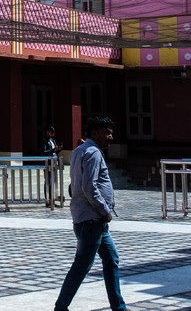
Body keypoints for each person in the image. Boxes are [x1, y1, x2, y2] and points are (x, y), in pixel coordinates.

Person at [54, 115, 126, 311]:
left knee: (111, 260)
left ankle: (118, 307)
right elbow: (89, 186)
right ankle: (60, 307)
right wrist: (104, 209)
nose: (110, 137)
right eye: (107, 133)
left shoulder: (79, 150)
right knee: (81, 266)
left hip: (92, 220)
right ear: (94, 133)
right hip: (92, 219)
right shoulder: (93, 152)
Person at [42, 125, 63, 207]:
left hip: (54, 162)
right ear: (47, 132)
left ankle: (52, 200)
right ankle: (48, 200)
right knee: (48, 182)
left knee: (53, 182)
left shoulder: (53, 140)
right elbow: (44, 152)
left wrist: (59, 149)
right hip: (48, 163)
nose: (52, 134)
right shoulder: (44, 141)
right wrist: (53, 150)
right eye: (51, 133)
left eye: (53, 133)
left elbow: (55, 152)